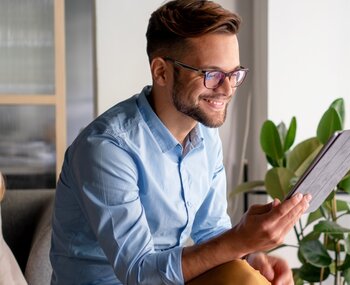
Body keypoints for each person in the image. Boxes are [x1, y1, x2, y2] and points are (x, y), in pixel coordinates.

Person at [50, 0, 311, 284]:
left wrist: (250, 256)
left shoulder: (206, 135)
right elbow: (139, 274)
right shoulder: (106, 149)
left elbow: (211, 232)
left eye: (234, 74)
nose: (226, 89)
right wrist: (240, 243)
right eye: (211, 75)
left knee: (248, 276)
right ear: (161, 71)